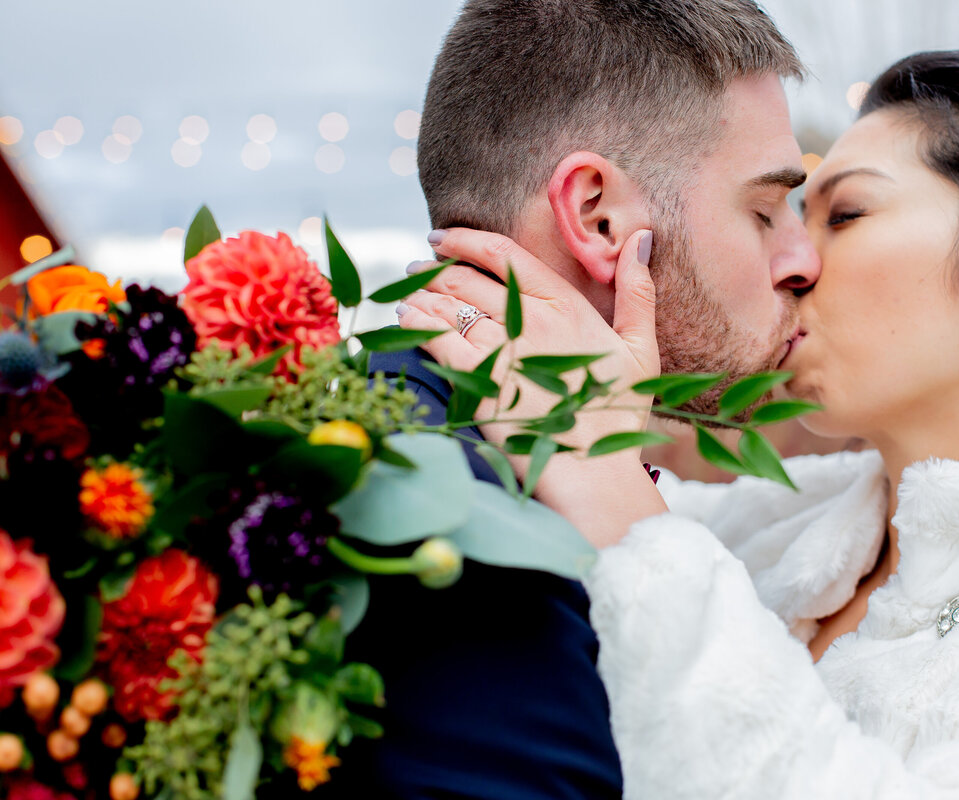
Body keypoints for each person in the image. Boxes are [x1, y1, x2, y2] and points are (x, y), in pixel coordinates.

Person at [399, 51, 959, 797]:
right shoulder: (768, 528)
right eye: (776, 213)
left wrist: (607, 484)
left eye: (843, 214)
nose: (795, 263)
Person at [347, 1, 818, 797]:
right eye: (765, 211)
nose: (803, 259)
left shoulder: (423, 431)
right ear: (598, 217)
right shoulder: (453, 524)